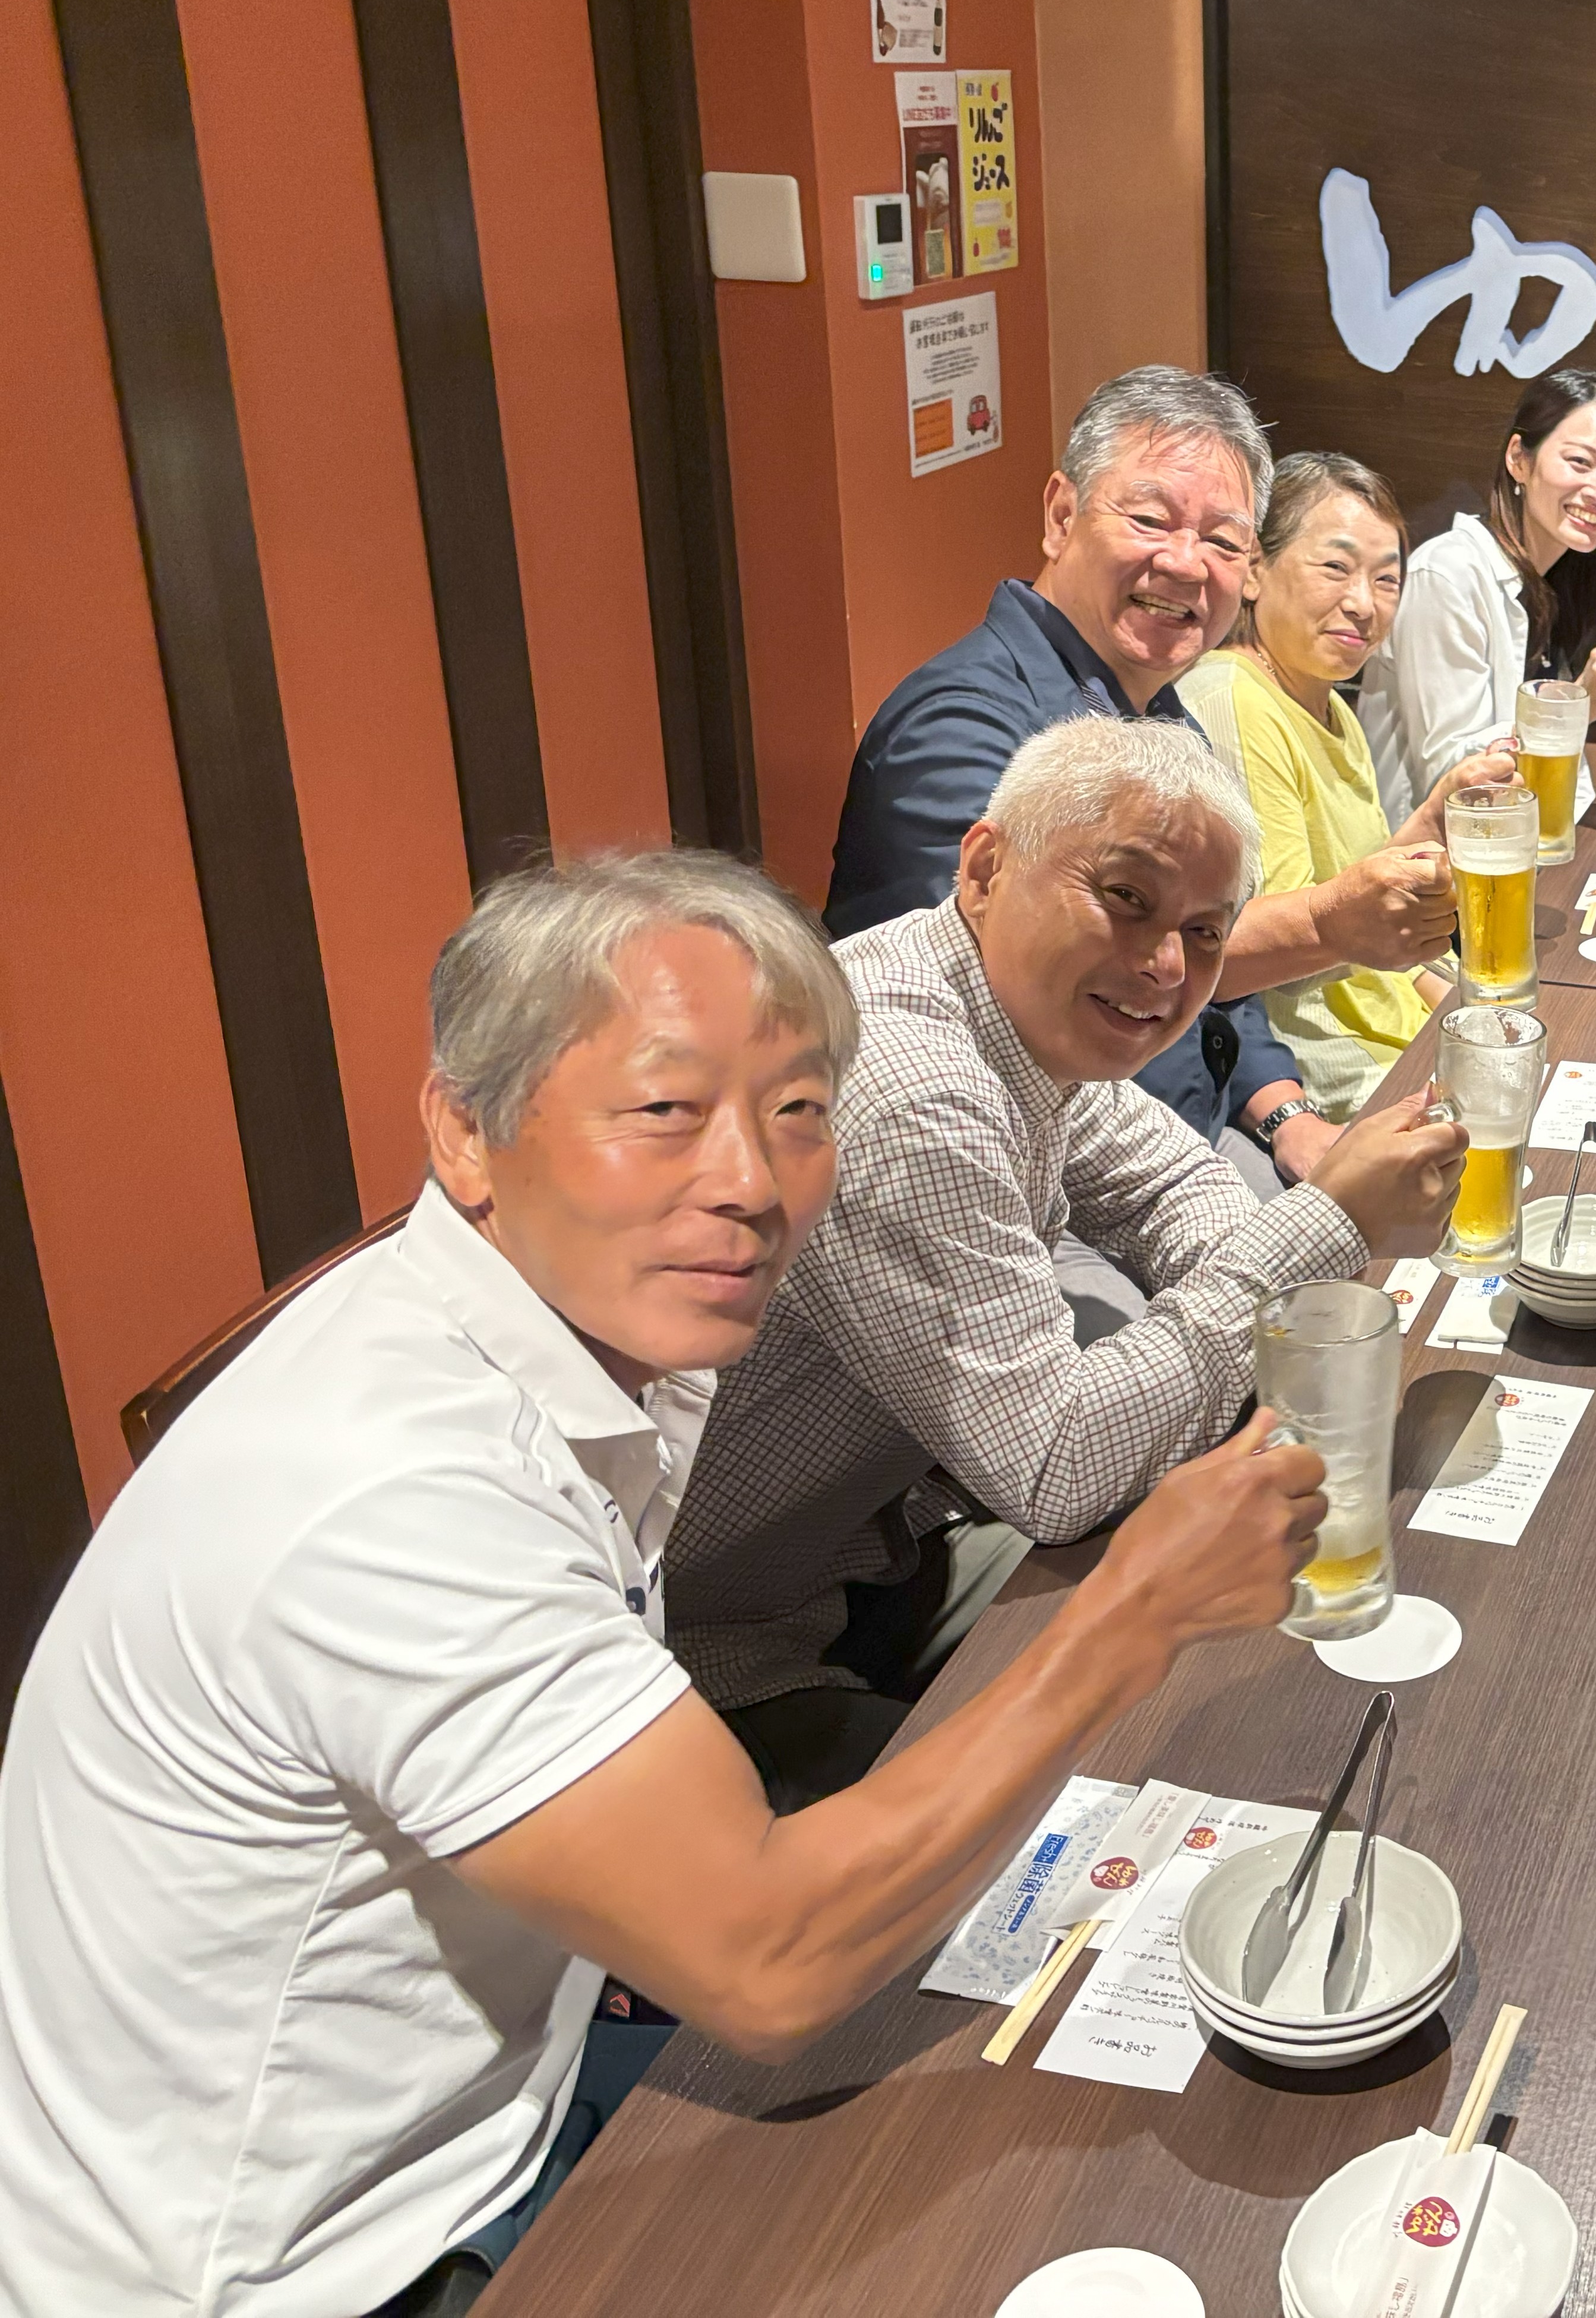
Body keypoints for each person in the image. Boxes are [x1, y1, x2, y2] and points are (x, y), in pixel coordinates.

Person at [0, 853, 1328, 2315]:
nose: (749, 1185)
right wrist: (1134, 1610)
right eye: (664, 1112)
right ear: (465, 1130)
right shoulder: (395, 1490)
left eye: (799, 1111)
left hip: (523, 2057)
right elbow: (768, 1963)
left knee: (1079, 2016)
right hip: (327, 2261)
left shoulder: (592, 1329)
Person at [672, 717, 1467, 1811]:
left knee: (1243, 1605)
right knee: (1110, 1812)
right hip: (710, 1647)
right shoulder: (910, 1086)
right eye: (1125, 897)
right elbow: (1060, 1466)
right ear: (985, 868)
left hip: (888, 1538)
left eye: (1203, 931)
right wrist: (1329, 1220)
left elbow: (1168, 1188)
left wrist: (1293, 1251)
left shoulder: (1005, 1003)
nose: (1164, 965)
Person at [824, 366, 1466, 1179]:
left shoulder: (1161, 717)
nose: (1187, 563)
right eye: (1151, 520)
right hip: (1028, 1178)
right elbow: (1022, 1015)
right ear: (1062, 516)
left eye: (1223, 541)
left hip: (1198, 1132)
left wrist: (1286, 1117)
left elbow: (1217, 986)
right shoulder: (960, 725)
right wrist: (1326, 925)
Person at [1177, 452, 1447, 1118]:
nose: (1363, 603)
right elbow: (1283, 958)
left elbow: (1360, 902)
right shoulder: (1234, 697)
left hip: (1396, 1030)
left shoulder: (1330, 703)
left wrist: (1461, 1007)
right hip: (1322, 1067)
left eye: (1387, 580)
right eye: (1335, 567)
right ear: (1255, 569)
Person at [1355, 365, 1596, 822]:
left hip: (1517, 838)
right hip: (1432, 852)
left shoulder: (1559, 582)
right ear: (1519, 458)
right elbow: (1455, 774)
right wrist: (1574, 707)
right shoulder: (1447, 574)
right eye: (1580, 462)